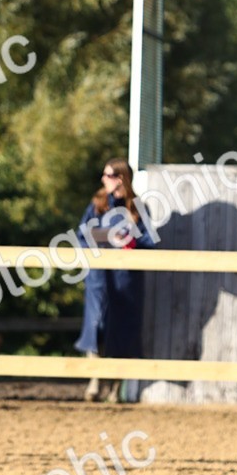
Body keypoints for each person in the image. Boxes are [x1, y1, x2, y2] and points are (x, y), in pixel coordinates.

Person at [74, 157, 155, 401]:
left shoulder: (137, 208)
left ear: (120, 178)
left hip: (127, 281)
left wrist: (132, 243)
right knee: (96, 327)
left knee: (122, 330)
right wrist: (98, 239)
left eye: (108, 175)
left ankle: (115, 388)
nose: (103, 179)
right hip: (99, 278)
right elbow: (80, 235)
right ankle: (95, 380)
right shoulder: (97, 203)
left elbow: (150, 243)